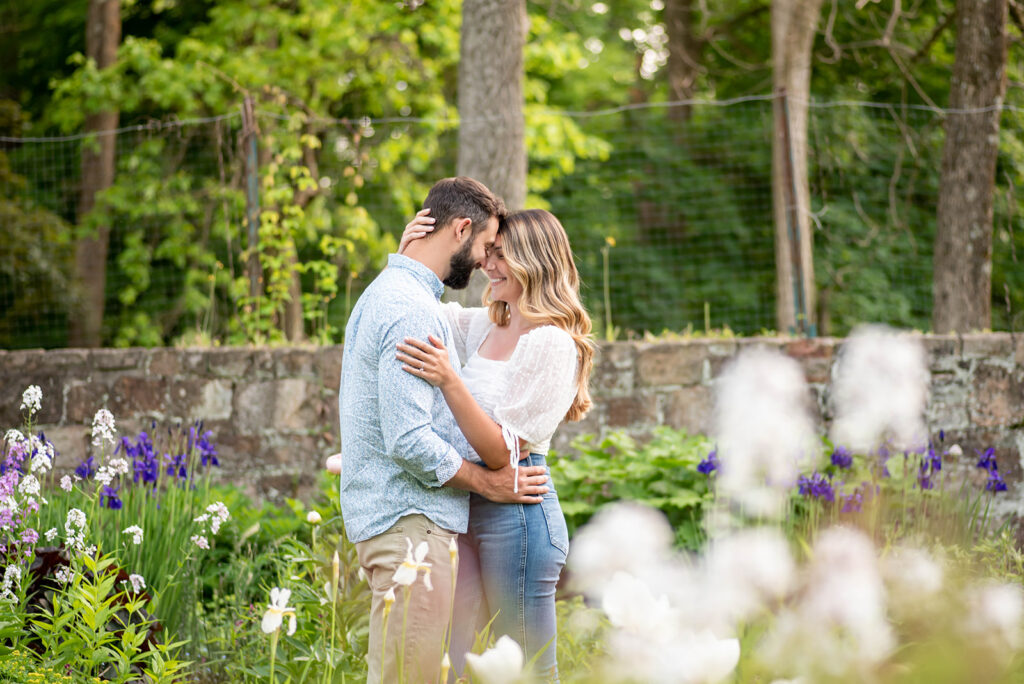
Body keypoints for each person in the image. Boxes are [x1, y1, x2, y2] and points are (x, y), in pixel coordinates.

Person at [337, 177, 551, 684]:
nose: (483, 261)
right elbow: (409, 437)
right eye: (482, 246)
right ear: (459, 229)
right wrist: (488, 482)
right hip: (413, 526)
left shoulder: (390, 293)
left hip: (401, 523)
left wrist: (404, 254)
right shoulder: (409, 307)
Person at [395, 207, 594, 681]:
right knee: (456, 663)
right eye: (489, 252)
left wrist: (449, 381)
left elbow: (505, 453)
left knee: (526, 669)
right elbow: (418, 307)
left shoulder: (552, 343)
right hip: (467, 507)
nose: (487, 264)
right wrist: (408, 256)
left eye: (501, 255)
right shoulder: (483, 327)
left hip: (518, 519)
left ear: (535, 262)